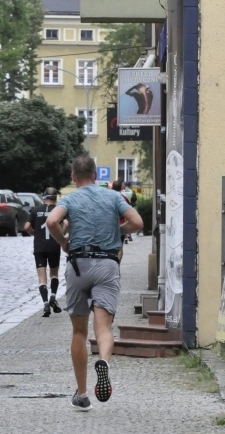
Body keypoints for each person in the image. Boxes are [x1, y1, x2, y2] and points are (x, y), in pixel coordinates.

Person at [46, 155, 143, 411]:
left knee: (79, 331)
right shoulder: (113, 197)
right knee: (104, 328)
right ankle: (104, 362)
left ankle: (82, 392)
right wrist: (117, 231)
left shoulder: (70, 199)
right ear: (96, 175)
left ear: (72, 176)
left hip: (78, 265)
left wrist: (63, 243)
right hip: (107, 265)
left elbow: (52, 221)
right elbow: (138, 222)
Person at [24, 186, 66, 317]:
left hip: (39, 246)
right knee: (54, 273)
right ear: (55, 198)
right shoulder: (58, 211)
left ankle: (45, 304)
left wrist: (35, 234)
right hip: (54, 246)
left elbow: (26, 227)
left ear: (44, 197)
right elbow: (67, 223)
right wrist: (61, 235)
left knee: (42, 278)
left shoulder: (36, 210)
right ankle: (53, 296)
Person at [111, 181, 131, 257]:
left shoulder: (107, 197)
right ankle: (117, 264)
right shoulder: (123, 198)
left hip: (110, 225)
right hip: (121, 224)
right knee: (120, 247)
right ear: (121, 187)